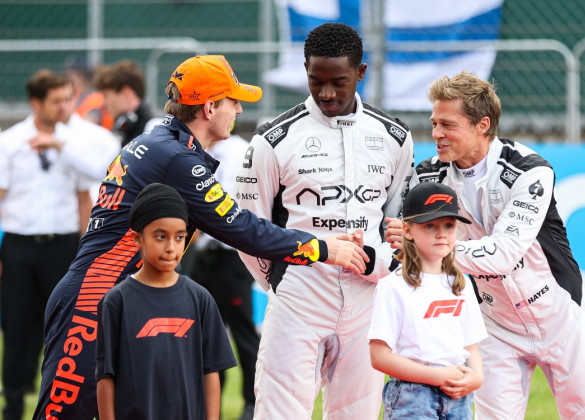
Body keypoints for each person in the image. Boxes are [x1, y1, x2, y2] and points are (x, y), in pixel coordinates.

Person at [33, 54, 367, 420]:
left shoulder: (163, 144)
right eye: (233, 101)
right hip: (91, 301)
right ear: (209, 108)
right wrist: (324, 248)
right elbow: (241, 228)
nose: (239, 110)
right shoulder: (176, 158)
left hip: (118, 299)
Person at [387, 71, 585, 419]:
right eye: (434, 123)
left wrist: (424, 247)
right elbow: (400, 241)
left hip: (561, 317)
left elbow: (504, 254)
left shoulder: (530, 170)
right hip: (493, 325)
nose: (436, 134)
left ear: (482, 124)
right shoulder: (427, 176)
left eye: (447, 124)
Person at [234, 23, 415, 419]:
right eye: (316, 81)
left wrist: (374, 263)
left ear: (361, 73)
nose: (327, 92)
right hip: (299, 295)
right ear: (305, 70)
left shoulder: (396, 137)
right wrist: (281, 279)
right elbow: (248, 228)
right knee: (280, 412)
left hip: (368, 299)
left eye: (339, 81)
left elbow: (402, 227)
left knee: (358, 414)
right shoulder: (273, 139)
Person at [95, 183, 236, 420]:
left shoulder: (200, 299)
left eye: (179, 237)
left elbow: (211, 372)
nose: (171, 248)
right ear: (137, 238)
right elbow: (105, 376)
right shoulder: (116, 301)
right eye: (160, 236)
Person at [0, 69, 93, 420]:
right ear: (35, 102)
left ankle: (56, 406)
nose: (63, 107)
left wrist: (84, 250)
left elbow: (85, 196)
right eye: (56, 101)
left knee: (62, 331)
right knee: (17, 330)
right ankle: (11, 407)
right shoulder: (10, 141)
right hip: (20, 246)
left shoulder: (75, 142)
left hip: (64, 246)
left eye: (67, 99)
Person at [368, 182, 487, 420]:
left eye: (449, 225)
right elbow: (379, 356)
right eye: (430, 225)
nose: (441, 233)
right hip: (412, 395)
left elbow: (470, 346)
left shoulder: (460, 283)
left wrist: (476, 377)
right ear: (408, 231)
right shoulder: (393, 286)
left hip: (458, 395)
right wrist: (435, 377)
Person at [189, 127, 260, 420]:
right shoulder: (192, 150)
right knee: (203, 332)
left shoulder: (241, 152)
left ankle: (252, 402)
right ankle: (208, 404)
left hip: (232, 256)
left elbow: (230, 207)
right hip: (201, 254)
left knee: (243, 331)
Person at [93, 60, 158, 146]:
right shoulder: (126, 129)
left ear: (127, 94)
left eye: (106, 96)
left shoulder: (153, 128)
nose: (104, 104)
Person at [64, 54, 114, 130]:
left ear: (80, 75)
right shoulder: (77, 95)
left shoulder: (95, 97)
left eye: (71, 74)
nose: (68, 77)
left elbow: (90, 122)